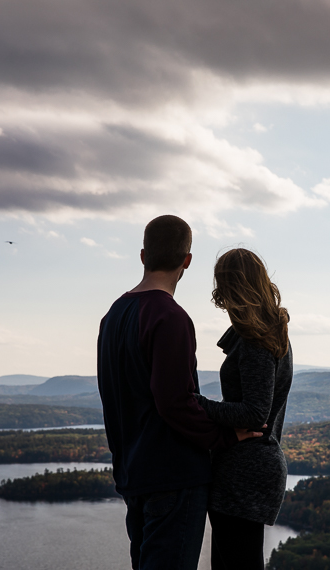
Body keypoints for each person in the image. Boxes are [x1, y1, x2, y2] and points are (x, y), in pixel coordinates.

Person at [97, 216, 262, 570]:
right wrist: (226, 436)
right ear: (187, 260)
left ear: (143, 256)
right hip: (173, 478)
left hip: (134, 476)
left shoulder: (113, 316)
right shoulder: (169, 317)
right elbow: (175, 402)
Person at [194, 248, 294, 570]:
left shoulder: (256, 339)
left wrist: (197, 404)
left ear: (230, 289)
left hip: (245, 471)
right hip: (248, 469)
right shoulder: (269, 332)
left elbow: (255, 413)